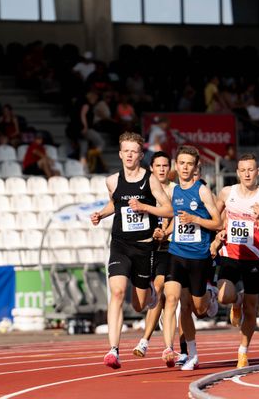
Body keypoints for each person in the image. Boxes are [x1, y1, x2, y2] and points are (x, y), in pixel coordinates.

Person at [91, 132, 173, 370]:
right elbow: (114, 204)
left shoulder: (150, 180)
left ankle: (150, 293)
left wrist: (145, 206)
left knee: (139, 305)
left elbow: (168, 210)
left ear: (140, 155)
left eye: (133, 151)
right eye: (125, 150)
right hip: (120, 244)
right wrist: (101, 214)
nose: (129, 154)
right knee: (117, 293)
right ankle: (113, 350)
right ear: (120, 154)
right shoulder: (112, 181)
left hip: (144, 246)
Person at [161, 145, 222, 370]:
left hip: (199, 258)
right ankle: (178, 350)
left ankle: (209, 295)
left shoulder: (202, 191)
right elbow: (168, 216)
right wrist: (163, 230)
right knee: (175, 302)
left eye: (190, 164)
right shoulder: (172, 191)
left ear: (196, 166)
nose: (185, 168)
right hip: (176, 254)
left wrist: (195, 219)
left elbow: (218, 223)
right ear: (176, 166)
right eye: (182, 163)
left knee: (199, 308)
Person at [133, 151, 197, 364]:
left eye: (164, 166)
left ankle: (148, 342)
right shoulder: (146, 191)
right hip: (149, 248)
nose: (161, 169)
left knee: (168, 294)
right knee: (152, 298)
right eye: (157, 166)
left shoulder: (175, 190)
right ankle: (163, 343)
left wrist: (166, 231)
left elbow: (177, 217)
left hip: (170, 248)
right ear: (151, 168)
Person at [213, 153, 259, 368]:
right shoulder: (226, 193)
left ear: (258, 172)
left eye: (251, 169)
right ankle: (235, 301)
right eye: (243, 170)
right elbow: (214, 218)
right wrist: (218, 234)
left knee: (252, 309)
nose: (247, 174)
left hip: (254, 259)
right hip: (230, 256)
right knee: (223, 296)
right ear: (238, 172)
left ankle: (243, 351)